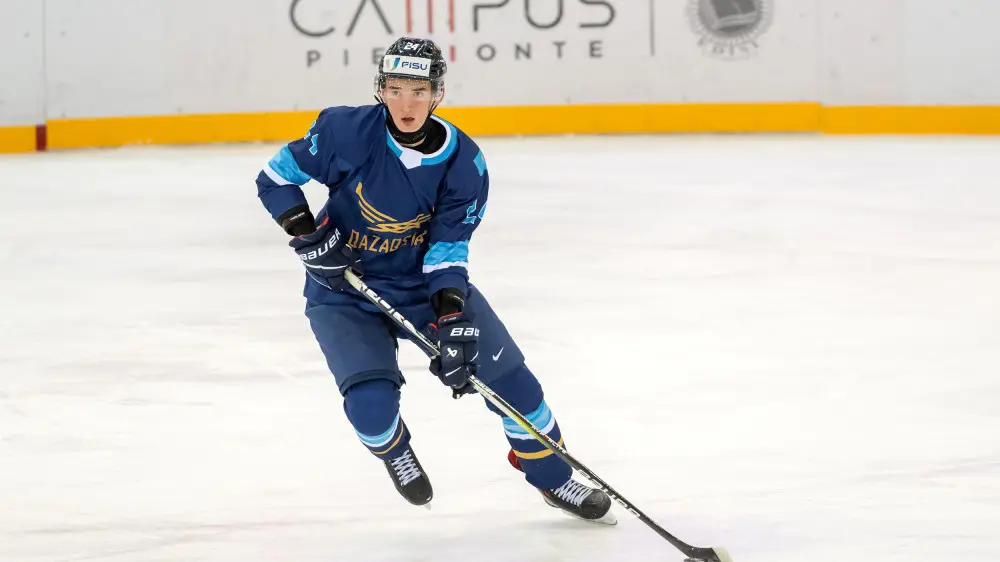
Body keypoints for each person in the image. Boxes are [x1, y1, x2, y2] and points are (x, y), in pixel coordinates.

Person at [254, 36, 614, 524]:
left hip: (419, 286)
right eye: (395, 90)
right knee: (371, 409)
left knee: (515, 386)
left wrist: (452, 317)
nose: (406, 104)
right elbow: (276, 178)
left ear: (437, 94)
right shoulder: (344, 131)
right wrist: (308, 236)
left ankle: (553, 478)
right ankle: (395, 450)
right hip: (343, 287)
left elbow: (447, 250)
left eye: (418, 91)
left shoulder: (464, 163)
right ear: (380, 89)